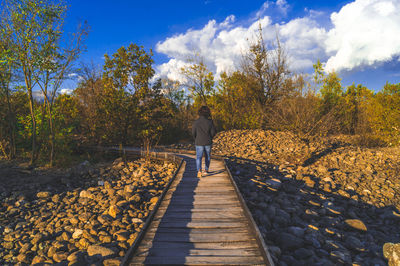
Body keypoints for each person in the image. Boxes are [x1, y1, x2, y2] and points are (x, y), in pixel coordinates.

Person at [192, 106, 217, 178]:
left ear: (199, 112)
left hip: (199, 142)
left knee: (198, 157)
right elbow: (213, 132)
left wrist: (196, 138)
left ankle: (199, 171)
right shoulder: (210, 122)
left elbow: (193, 132)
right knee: (207, 157)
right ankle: (206, 170)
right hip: (208, 142)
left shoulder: (196, 122)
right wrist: (210, 137)